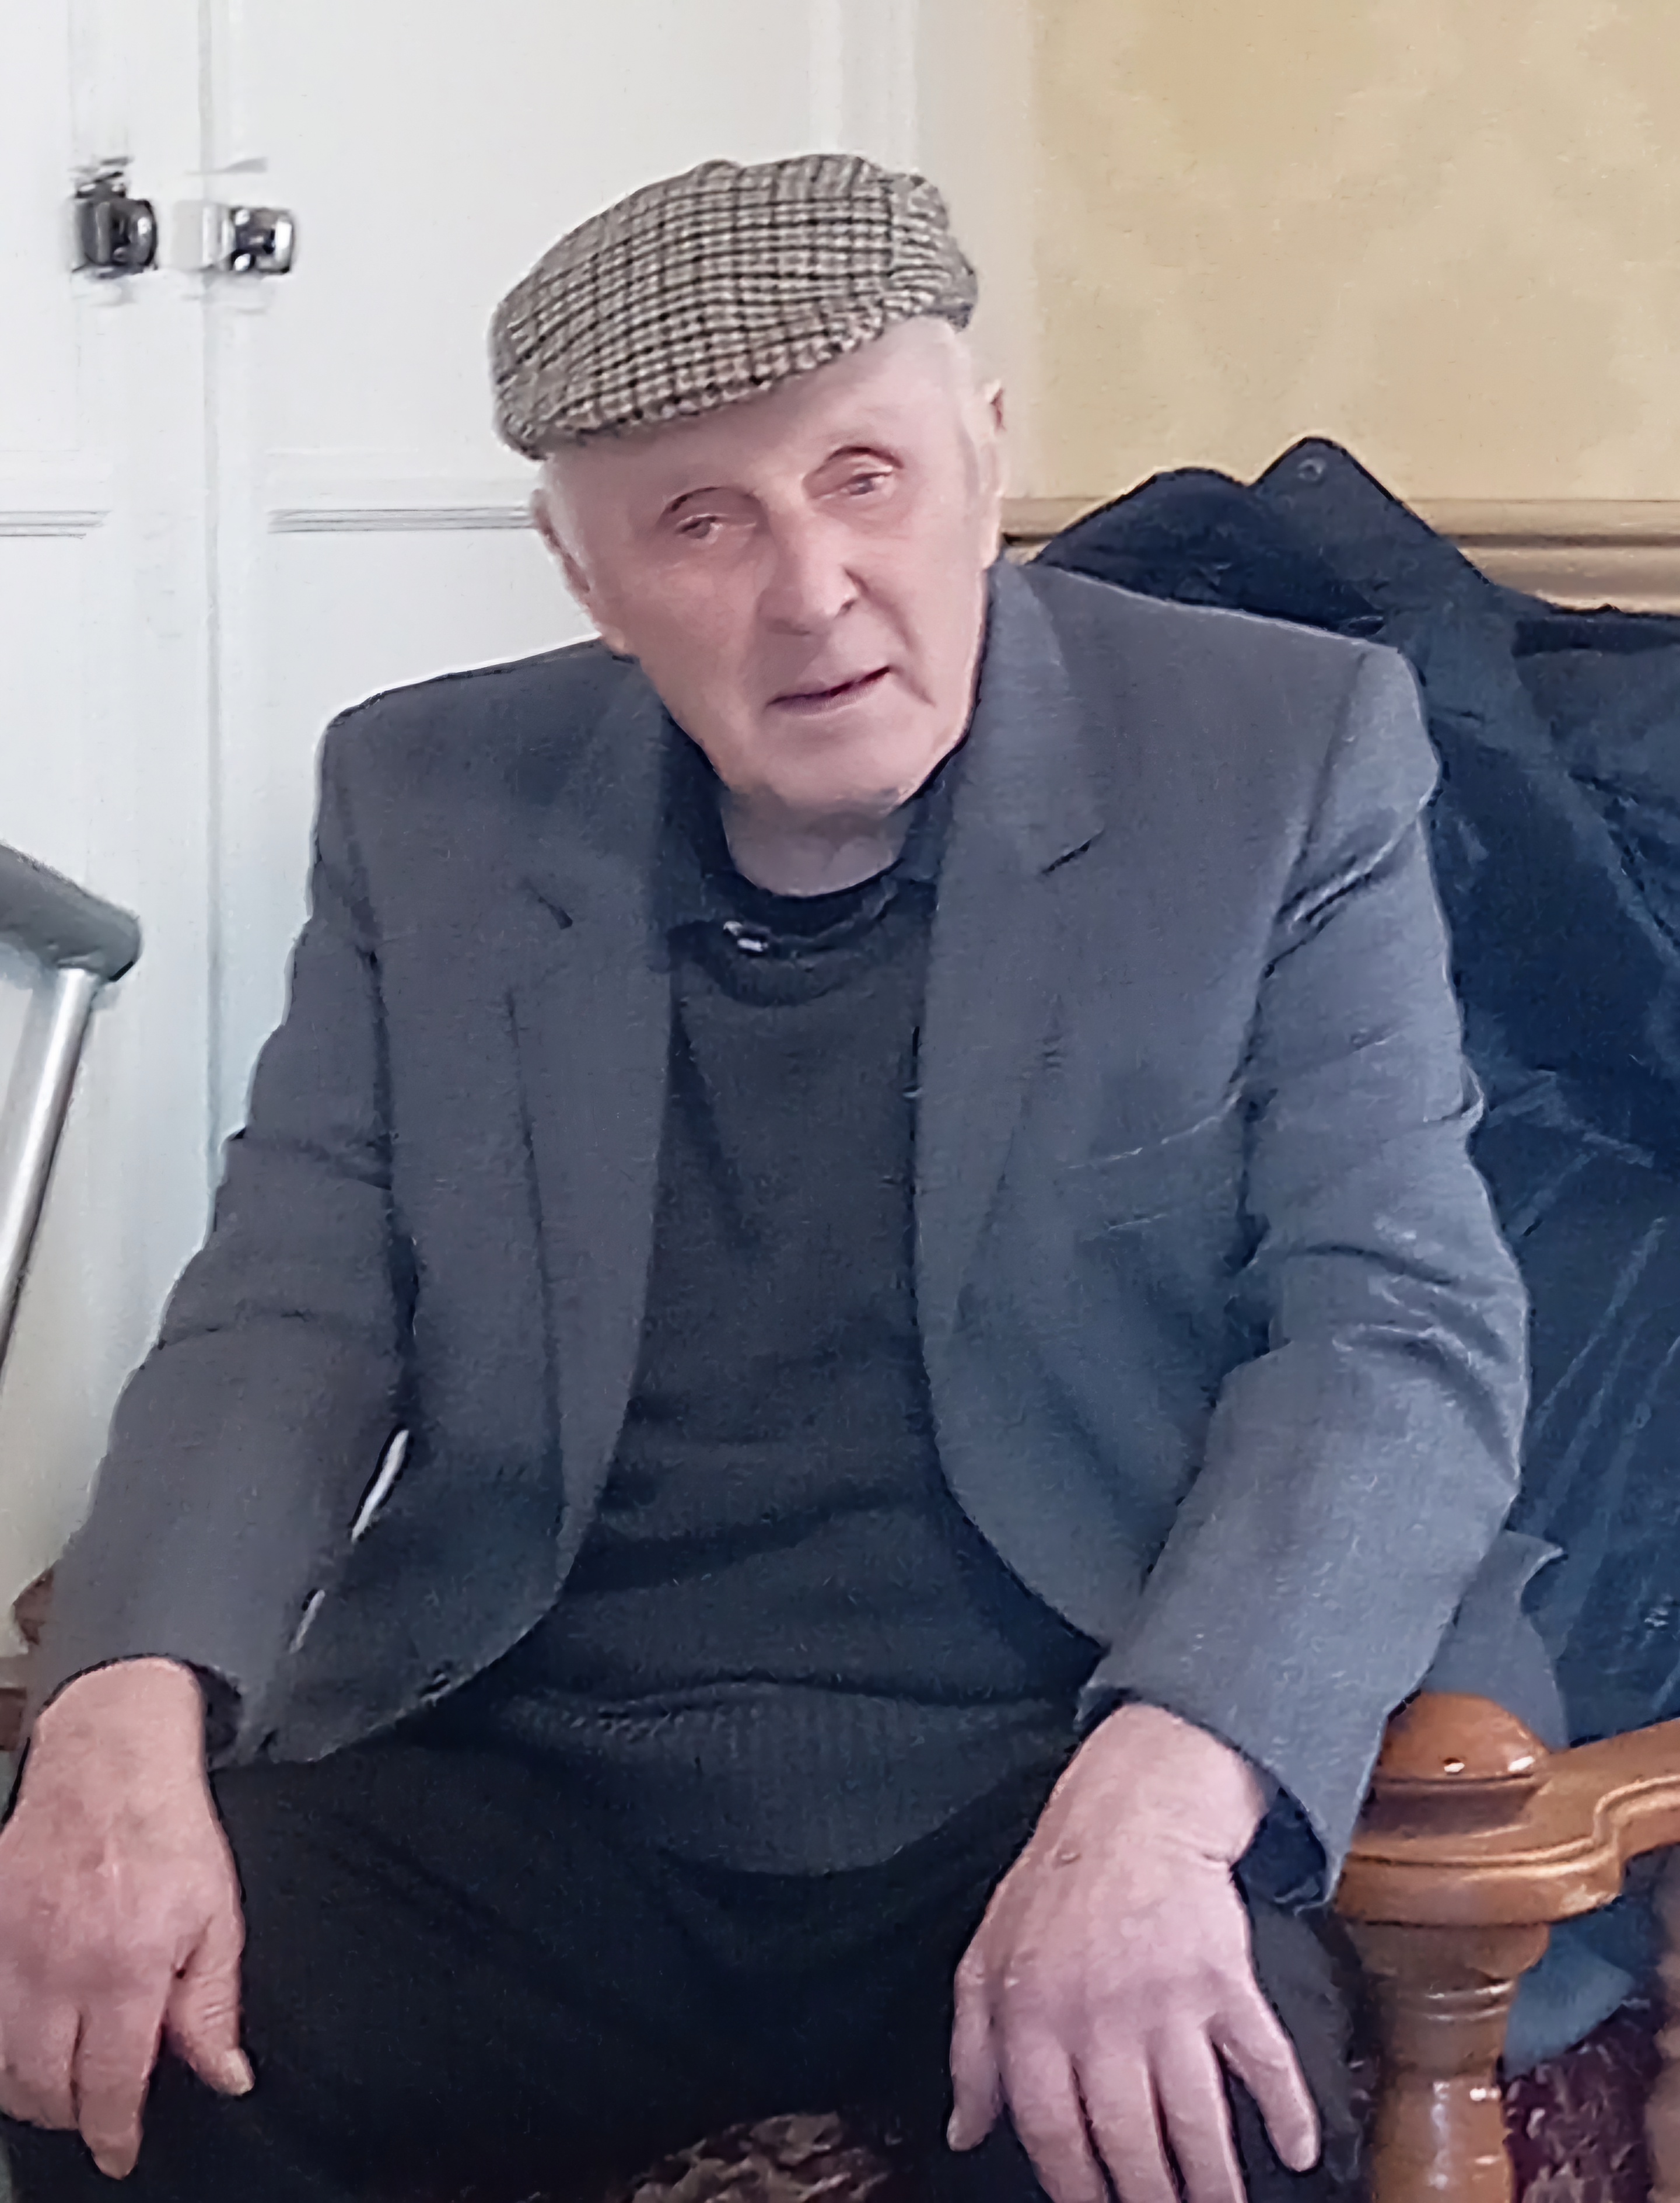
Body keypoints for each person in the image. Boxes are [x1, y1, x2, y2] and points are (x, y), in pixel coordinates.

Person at [0, 153, 1557, 2203]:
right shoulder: (430, 800)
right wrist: (118, 1709)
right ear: (583, 573)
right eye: (701, 522)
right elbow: (290, 1303)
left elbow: (1393, 1330)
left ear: (985, 460)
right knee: (112, 2046)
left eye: (865, 478)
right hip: (545, 1781)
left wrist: (1168, 1795)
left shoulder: (1274, 754)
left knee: (1183, 2125)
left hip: (1060, 1748)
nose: (812, 589)